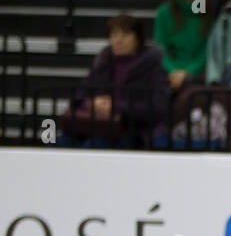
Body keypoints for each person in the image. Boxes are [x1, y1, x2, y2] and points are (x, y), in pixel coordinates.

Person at [60, 15, 171, 149]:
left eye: (125, 35)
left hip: (133, 130)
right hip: (95, 126)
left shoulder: (153, 67)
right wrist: (91, 103)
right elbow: (78, 96)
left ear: (138, 39)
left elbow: (159, 107)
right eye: (114, 35)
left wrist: (116, 107)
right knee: (59, 142)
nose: (118, 40)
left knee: (96, 145)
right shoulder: (102, 64)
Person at [154, 0, 219, 92]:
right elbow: (161, 49)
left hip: (200, 72)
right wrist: (174, 71)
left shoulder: (212, 11)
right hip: (170, 72)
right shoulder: (164, 12)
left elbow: (209, 50)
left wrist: (188, 73)